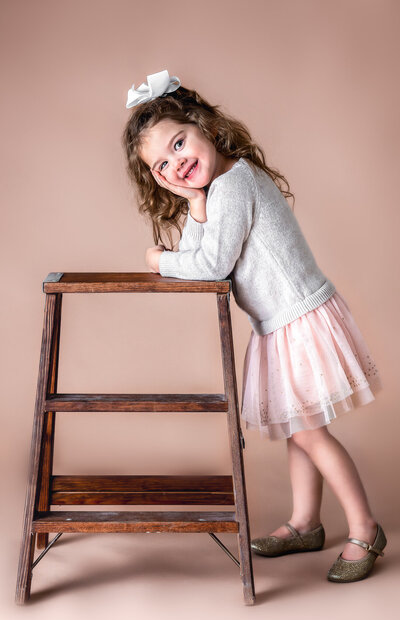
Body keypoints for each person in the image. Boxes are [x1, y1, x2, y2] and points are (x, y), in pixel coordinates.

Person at [122, 70, 386, 582]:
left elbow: (210, 264)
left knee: (310, 433)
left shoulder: (234, 184)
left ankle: (365, 527)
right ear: (159, 178)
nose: (177, 161)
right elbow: (208, 251)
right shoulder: (217, 192)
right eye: (162, 164)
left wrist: (160, 260)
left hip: (298, 322)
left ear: (204, 126)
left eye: (179, 142)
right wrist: (195, 205)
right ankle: (306, 522)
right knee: (298, 429)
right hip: (279, 324)